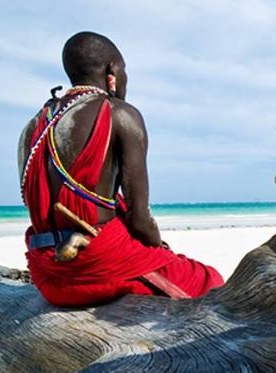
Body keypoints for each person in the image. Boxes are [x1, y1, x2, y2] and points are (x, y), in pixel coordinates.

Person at [18, 32, 224, 306]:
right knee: (211, 281)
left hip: (48, 274)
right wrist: (160, 249)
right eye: (124, 71)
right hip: (96, 268)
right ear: (112, 70)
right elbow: (140, 220)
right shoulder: (119, 113)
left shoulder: (33, 126)